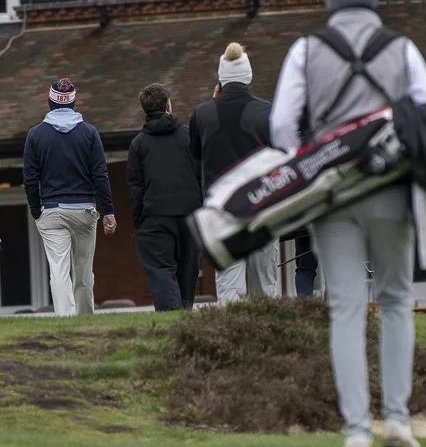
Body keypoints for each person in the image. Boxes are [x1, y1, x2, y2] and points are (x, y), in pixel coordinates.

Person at [269, 0, 426, 447]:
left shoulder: (305, 49)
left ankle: (357, 430)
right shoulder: (402, 48)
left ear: (329, 0)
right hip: (390, 188)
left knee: (344, 305)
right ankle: (400, 422)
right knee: (394, 299)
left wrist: (310, 162)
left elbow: (281, 124)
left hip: (334, 193)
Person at [189, 42, 278, 302]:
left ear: (221, 78)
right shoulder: (267, 112)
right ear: (248, 76)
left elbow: (196, 157)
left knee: (229, 288)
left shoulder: (202, 114)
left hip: (222, 208)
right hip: (262, 205)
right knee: (266, 287)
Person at [23, 77, 115, 315]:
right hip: (84, 209)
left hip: (51, 210)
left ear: (49, 102)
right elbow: (100, 175)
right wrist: (109, 211)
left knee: (58, 270)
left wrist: (36, 211)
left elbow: (30, 179)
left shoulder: (35, 135)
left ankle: (65, 319)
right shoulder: (89, 133)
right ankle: (85, 318)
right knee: (83, 269)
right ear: (73, 103)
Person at [127, 83, 202, 311]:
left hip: (155, 216)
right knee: (188, 270)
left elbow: (135, 186)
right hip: (190, 214)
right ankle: (185, 315)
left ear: (145, 110)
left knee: (161, 270)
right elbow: (202, 174)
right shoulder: (189, 136)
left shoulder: (139, 144)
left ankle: (171, 316)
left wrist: (138, 218)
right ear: (169, 105)